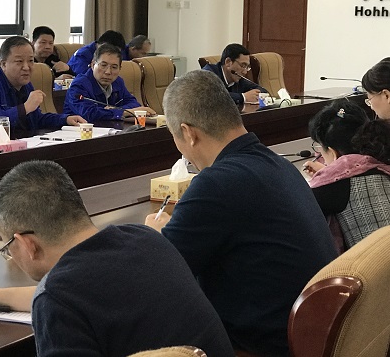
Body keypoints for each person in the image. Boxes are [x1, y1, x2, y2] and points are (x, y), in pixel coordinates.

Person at [0, 160, 235, 357]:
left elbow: (67, 294)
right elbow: (85, 293)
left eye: (9, 247)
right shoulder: (145, 238)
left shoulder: (58, 299)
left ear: (27, 244)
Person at [144, 70, 337, 356]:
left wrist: (154, 237)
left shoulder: (217, 183)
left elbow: (158, 274)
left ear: (188, 133)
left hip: (266, 347)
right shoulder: (278, 165)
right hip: (314, 335)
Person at [303, 100, 390, 249]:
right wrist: (330, 173)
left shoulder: (330, 189)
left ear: (332, 152)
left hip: (375, 263)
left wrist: (327, 177)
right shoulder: (381, 163)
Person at [0, 36, 85, 138]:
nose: (26, 67)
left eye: (31, 61)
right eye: (19, 61)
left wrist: (65, 119)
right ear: (3, 64)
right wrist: (25, 108)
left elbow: (36, 119)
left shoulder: (25, 85)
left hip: (18, 145)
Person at [63, 43, 155, 122]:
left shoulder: (118, 82)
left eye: (114, 67)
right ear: (93, 65)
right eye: (103, 65)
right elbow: (89, 114)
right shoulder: (79, 85)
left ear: (120, 69)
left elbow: (133, 103)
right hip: (80, 132)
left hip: (110, 129)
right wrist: (123, 112)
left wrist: (115, 110)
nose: (108, 72)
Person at [202, 43, 268, 106]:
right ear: (228, 62)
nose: (245, 72)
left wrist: (256, 94)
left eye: (247, 67)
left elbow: (263, 90)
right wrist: (243, 97)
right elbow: (211, 96)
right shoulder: (207, 75)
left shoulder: (238, 77)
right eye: (243, 65)